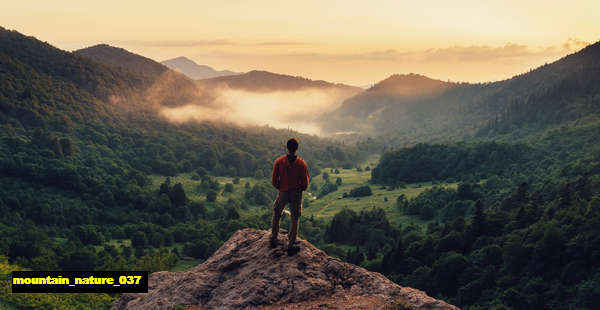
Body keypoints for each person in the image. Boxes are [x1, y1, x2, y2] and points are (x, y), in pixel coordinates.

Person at [270, 137, 310, 255]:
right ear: (296, 149)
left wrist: (281, 187)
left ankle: (273, 237)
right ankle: (291, 244)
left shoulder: (279, 161)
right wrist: (300, 189)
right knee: (294, 218)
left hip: (283, 191)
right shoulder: (301, 163)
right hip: (296, 193)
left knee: (277, 212)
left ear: (287, 148)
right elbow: (305, 182)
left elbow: (274, 180)